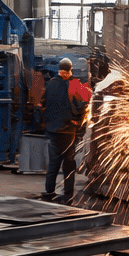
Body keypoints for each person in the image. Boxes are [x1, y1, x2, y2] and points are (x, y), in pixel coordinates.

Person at [41, 57, 92, 203]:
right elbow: (85, 101)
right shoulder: (73, 85)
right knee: (69, 162)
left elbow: (42, 104)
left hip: (52, 129)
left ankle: (49, 191)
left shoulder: (50, 84)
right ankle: (68, 194)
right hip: (67, 130)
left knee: (54, 161)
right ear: (69, 71)